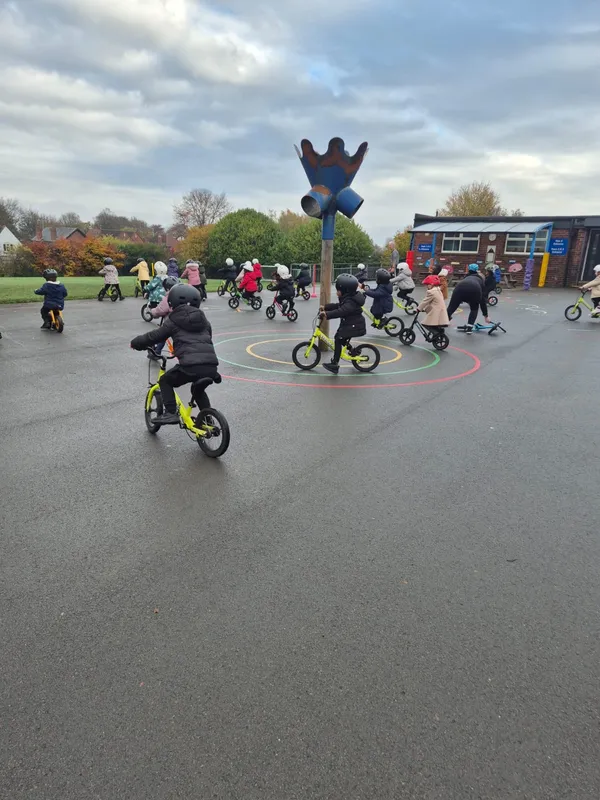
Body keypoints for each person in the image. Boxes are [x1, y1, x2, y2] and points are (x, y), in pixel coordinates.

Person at [130, 284, 220, 425]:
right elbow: (207, 340)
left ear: (172, 302)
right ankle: (208, 419)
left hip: (190, 366)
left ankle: (171, 413)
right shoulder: (204, 320)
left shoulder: (173, 320)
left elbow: (155, 336)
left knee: (165, 381)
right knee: (198, 389)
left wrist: (136, 343)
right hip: (211, 366)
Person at [320, 273, 366, 375]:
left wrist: (327, 315)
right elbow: (339, 306)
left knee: (338, 339)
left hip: (354, 326)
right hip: (351, 324)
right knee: (341, 338)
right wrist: (326, 307)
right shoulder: (349, 298)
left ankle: (335, 364)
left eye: (338, 290)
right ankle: (354, 351)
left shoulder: (350, 302)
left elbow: (341, 311)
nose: (336, 292)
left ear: (345, 290)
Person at [446, 264, 491, 333]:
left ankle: (445, 320)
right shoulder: (480, 280)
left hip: (460, 287)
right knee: (474, 308)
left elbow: (452, 304)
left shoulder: (466, 277)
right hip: (475, 289)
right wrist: (486, 316)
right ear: (477, 271)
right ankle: (469, 327)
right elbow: (482, 301)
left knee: (452, 306)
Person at [148, 276, 179, 358]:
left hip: (170, 322)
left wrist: (152, 311)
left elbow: (160, 310)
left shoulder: (168, 297)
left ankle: (157, 352)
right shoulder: (181, 295)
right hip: (181, 322)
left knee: (162, 336)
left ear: (167, 288)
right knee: (179, 337)